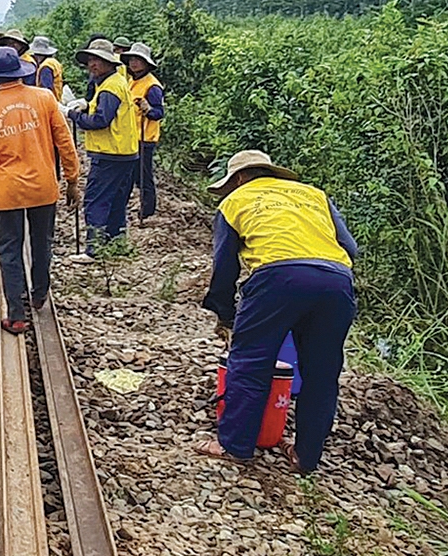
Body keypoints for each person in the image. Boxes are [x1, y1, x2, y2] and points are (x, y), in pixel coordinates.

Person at [196, 150, 358, 473]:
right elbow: (350, 248)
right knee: (322, 374)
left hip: (277, 278)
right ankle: (306, 457)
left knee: (251, 360)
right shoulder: (315, 195)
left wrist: (225, 316)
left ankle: (235, 445)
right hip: (337, 280)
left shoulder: (234, 201)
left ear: (239, 178)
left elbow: (224, 268)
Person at [0, 49, 80, 334]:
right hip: (43, 187)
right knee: (42, 243)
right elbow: (64, 141)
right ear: (21, 72)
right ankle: (39, 293)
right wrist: (72, 180)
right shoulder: (44, 99)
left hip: (8, 191)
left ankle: (16, 314)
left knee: (9, 251)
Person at [67, 38, 141, 260]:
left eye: (98, 60)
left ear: (109, 63)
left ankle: (94, 250)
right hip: (125, 153)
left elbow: (101, 120)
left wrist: (74, 115)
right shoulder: (116, 83)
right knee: (117, 201)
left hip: (110, 153)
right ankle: (116, 245)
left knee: (95, 200)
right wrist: (86, 105)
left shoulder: (110, 87)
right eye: (90, 60)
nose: (92, 64)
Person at [123, 42, 165, 220]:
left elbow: (158, 113)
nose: (134, 63)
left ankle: (148, 210)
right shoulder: (133, 81)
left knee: (143, 175)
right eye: (132, 59)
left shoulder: (152, 86)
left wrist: (148, 109)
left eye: (138, 60)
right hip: (133, 136)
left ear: (146, 63)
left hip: (145, 137)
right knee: (133, 174)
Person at [28, 35, 64, 100]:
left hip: (49, 102)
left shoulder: (46, 67)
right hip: (56, 100)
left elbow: (46, 91)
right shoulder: (54, 63)